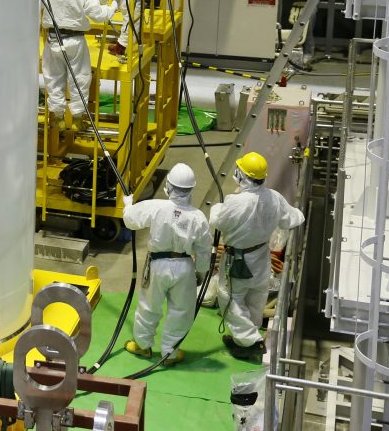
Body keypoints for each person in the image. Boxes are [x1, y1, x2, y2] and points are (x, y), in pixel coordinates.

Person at [210, 151, 305, 360]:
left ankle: (250, 340)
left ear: (243, 175)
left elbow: (218, 222)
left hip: (238, 260)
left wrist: (218, 207)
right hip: (261, 257)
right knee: (256, 298)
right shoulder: (274, 198)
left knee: (229, 299)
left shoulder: (235, 202)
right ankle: (243, 341)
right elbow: (293, 219)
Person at [122, 163, 212, 366]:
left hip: (157, 264)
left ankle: (143, 345)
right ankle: (169, 354)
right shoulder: (198, 217)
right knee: (181, 310)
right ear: (191, 189)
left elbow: (130, 220)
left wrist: (128, 204)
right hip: (185, 266)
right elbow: (204, 249)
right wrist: (201, 272)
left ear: (169, 186)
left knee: (149, 305)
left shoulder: (156, 207)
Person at [41, 0, 116, 132]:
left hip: (52, 40)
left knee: (53, 78)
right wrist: (113, 6)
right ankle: (77, 119)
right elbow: (100, 15)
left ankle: (57, 118)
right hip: (75, 41)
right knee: (79, 80)